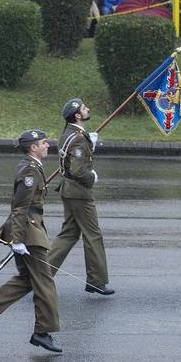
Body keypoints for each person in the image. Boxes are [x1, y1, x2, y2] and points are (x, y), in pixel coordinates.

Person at [0, 130, 63, 353]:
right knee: (45, 283)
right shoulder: (29, 171)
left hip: (28, 230)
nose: (47, 146)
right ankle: (42, 331)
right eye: (43, 143)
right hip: (29, 232)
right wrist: (17, 238)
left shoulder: (33, 167)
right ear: (33, 147)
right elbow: (20, 207)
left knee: (26, 279)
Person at [48, 98, 113, 295]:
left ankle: (41, 274)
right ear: (77, 115)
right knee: (93, 235)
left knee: (69, 234)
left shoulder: (70, 134)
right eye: (84, 108)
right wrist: (91, 177)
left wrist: (89, 144)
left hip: (69, 191)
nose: (88, 109)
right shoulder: (77, 138)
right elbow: (77, 170)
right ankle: (96, 280)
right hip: (79, 193)